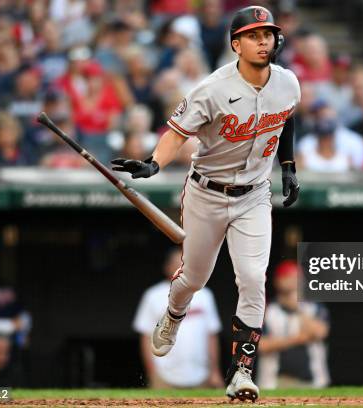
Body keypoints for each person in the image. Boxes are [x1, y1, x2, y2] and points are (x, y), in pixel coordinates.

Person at [111, 5, 300, 402]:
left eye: (267, 34)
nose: (263, 40)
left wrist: (288, 167)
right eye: (253, 35)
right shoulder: (212, 88)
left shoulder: (287, 82)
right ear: (236, 44)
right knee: (193, 279)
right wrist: (153, 163)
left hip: (254, 196)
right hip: (206, 193)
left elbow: (286, 119)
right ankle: (173, 314)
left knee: (252, 278)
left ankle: (242, 372)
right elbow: (177, 132)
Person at [132, 248, 222, 389]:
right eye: (176, 264)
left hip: (201, 375)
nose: (181, 268)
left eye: (185, 263)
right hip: (164, 376)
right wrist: (152, 372)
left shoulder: (205, 295)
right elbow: (145, 337)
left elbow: (211, 336)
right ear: (167, 267)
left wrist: (214, 371)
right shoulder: (153, 295)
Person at [257, 260, 330, 389]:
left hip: (313, 380)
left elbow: (320, 332)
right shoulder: (268, 309)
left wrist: (298, 309)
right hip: (274, 382)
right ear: (278, 281)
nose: (294, 282)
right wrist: (297, 339)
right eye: (290, 277)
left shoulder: (313, 306)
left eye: (297, 278)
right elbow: (260, 345)